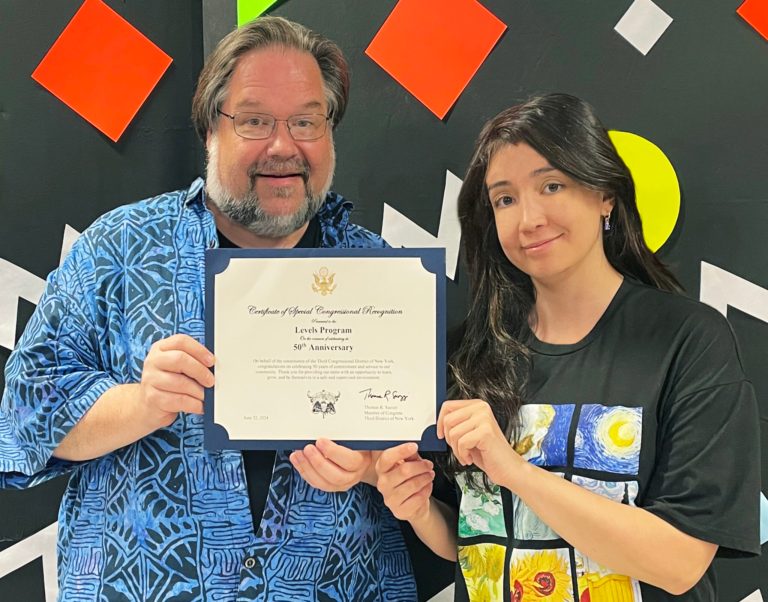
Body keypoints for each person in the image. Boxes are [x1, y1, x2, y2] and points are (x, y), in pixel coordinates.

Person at [0, 16, 419, 601]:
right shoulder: (116, 248)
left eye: (306, 121)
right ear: (209, 130)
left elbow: (424, 471)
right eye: (254, 120)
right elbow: (23, 416)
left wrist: (378, 464)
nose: (283, 145)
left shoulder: (382, 273)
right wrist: (142, 403)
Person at [375, 93, 760, 601]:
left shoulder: (687, 340)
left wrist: (511, 468)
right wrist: (419, 508)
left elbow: (681, 562)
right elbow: (470, 539)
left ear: (605, 194)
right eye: (504, 199)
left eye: (551, 185)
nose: (528, 218)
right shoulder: (466, 351)